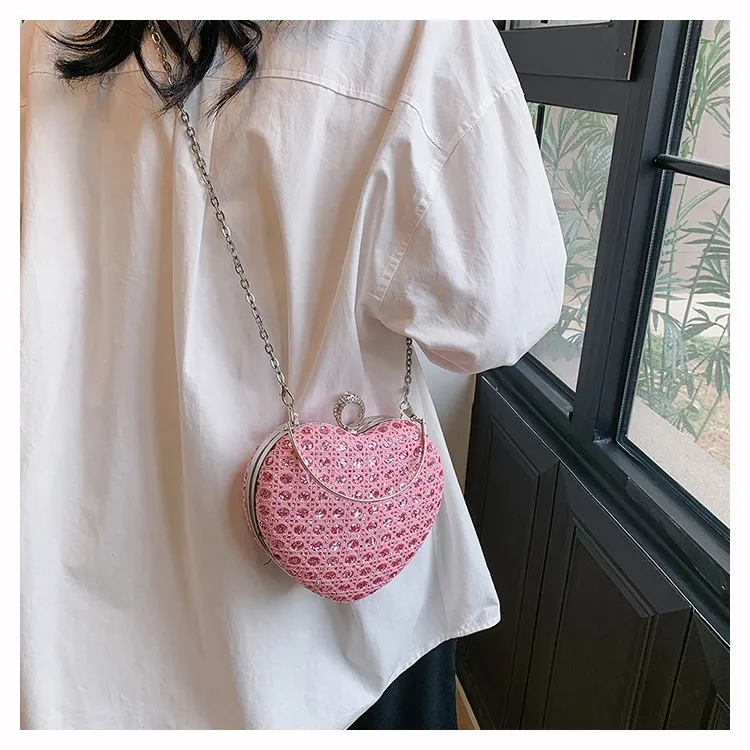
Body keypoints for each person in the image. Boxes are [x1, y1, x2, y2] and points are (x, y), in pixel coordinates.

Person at [20, 20, 566, 730]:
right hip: (337, 651)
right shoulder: (419, 32)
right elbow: (496, 315)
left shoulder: (38, 34)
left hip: (81, 613)